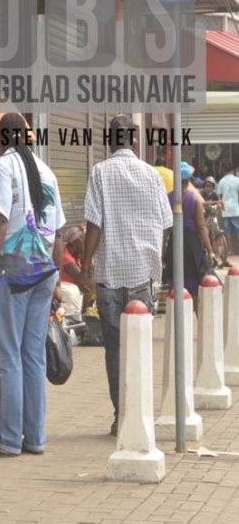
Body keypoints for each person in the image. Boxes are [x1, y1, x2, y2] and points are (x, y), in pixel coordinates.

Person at [0, 112, 65, 459]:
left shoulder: (3, 167)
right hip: (45, 272)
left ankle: (10, 439)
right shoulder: (47, 171)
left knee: (9, 356)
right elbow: (57, 231)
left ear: (1, 138)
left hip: (15, 273)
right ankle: (35, 437)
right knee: (33, 356)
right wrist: (56, 276)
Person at [80, 115, 172, 437]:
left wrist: (85, 268)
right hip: (142, 277)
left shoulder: (100, 172)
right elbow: (164, 223)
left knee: (115, 350)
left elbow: (94, 224)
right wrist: (156, 263)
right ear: (133, 141)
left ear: (109, 140)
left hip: (109, 275)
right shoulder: (151, 175)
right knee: (141, 346)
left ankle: (121, 416)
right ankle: (141, 413)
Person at [163, 162, 216, 302]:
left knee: (175, 284)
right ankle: (196, 317)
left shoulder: (168, 197)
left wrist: (163, 252)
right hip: (192, 245)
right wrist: (210, 250)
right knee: (195, 285)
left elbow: (165, 229)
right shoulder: (195, 198)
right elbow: (201, 227)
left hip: (174, 243)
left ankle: (177, 318)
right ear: (189, 180)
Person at [58, 225, 86, 316]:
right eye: (84, 241)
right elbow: (84, 281)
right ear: (76, 241)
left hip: (74, 294)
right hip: (67, 294)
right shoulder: (66, 257)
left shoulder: (76, 256)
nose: (86, 243)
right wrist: (84, 252)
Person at [217, 167, 239, 256]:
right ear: (232, 170)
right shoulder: (237, 180)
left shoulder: (221, 181)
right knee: (238, 230)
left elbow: (219, 196)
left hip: (225, 209)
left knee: (227, 232)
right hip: (235, 209)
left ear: (224, 170)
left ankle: (229, 250)